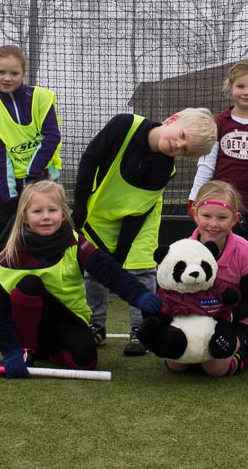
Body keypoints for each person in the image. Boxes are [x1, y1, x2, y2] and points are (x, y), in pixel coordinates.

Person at [72, 108, 218, 356]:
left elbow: (137, 211)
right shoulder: (123, 125)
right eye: (181, 136)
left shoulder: (163, 170)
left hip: (137, 219)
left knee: (140, 270)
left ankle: (142, 329)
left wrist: (120, 252)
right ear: (172, 119)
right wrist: (79, 207)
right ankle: (95, 325)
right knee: (94, 270)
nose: (177, 146)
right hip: (96, 211)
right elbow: (90, 160)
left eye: (184, 150)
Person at [0, 180, 162, 378]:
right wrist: (11, 350)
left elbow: (109, 271)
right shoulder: (13, 254)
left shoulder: (76, 243)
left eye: (52, 210)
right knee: (29, 284)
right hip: (26, 321)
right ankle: (25, 349)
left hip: (67, 317)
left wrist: (140, 295)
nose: (46, 217)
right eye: (37, 211)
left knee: (86, 361)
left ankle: (45, 351)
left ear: (63, 214)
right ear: (25, 218)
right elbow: (0, 310)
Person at [0, 44, 63, 327]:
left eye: (14, 73)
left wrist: (33, 175)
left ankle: (53, 297)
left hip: (42, 183)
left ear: (24, 73)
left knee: (45, 239)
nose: (7, 78)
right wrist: (9, 192)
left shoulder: (42, 98)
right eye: (1, 72)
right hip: (11, 185)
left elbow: (51, 136)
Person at [146, 180, 248, 377]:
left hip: (230, 321)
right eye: (207, 216)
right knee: (176, 365)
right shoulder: (182, 249)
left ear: (234, 219)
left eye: (222, 217)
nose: (213, 224)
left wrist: (226, 316)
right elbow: (167, 292)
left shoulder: (244, 251)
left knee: (214, 369)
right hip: (191, 318)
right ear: (194, 214)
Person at [188, 59, 248, 251]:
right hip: (219, 205)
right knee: (213, 253)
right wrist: (194, 197)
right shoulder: (219, 123)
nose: (246, 92)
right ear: (230, 87)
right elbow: (206, 165)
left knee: (246, 255)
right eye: (240, 86)